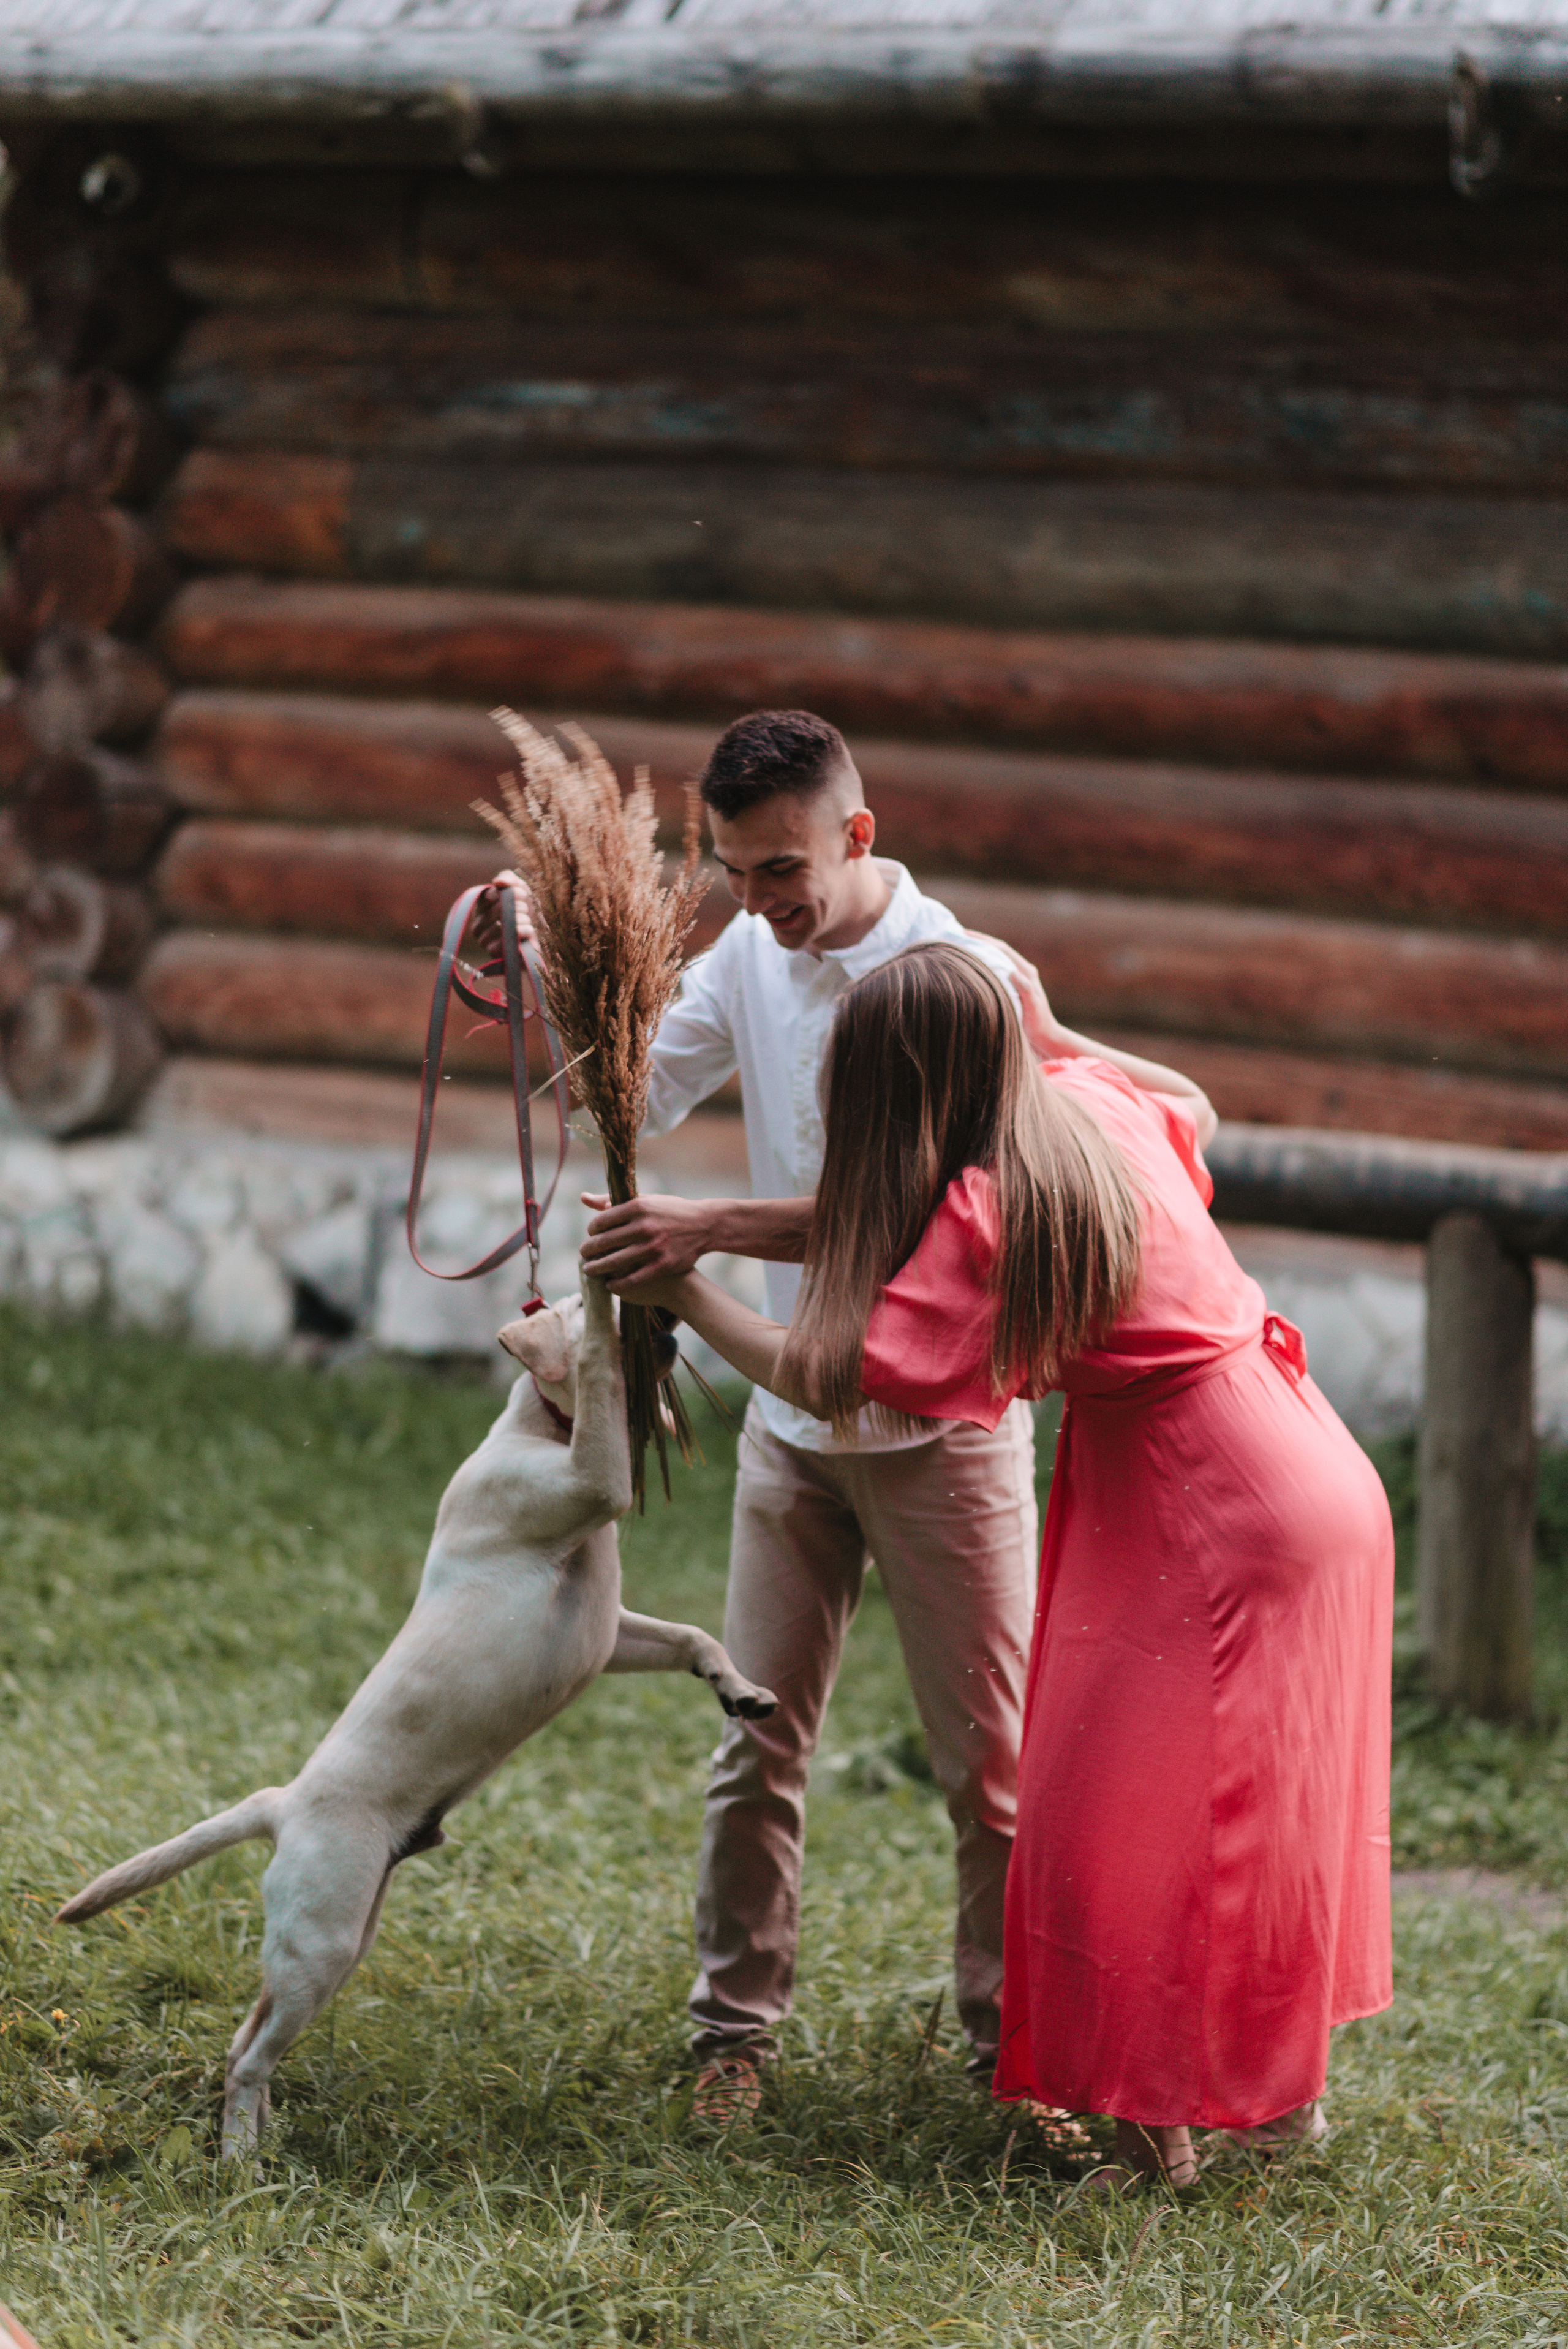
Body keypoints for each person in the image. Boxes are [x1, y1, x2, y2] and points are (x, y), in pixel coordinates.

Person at [502, 707, 1216, 2117]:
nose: (757, 904)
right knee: (754, 1744)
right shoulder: (745, 957)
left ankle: (1014, 2060)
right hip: (792, 1430)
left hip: (946, 1442)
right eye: (731, 876)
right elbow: (614, 1098)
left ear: (857, 835)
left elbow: (923, 1211)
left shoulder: (962, 980)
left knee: (991, 1772)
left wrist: (708, 1228)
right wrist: (544, 983)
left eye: (781, 871)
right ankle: (730, 2036)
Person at [596, 939, 1394, 2183]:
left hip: (1208, 1504)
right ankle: (1278, 2101)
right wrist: (1057, 1032)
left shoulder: (990, 1212)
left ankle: (1152, 2143)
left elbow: (828, 1375)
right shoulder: (1084, 1104)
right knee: (1264, 1808)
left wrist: (685, 1293)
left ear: (899, 1094)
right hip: (1306, 1461)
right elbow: (1192, 1102)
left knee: (1115, 1822)